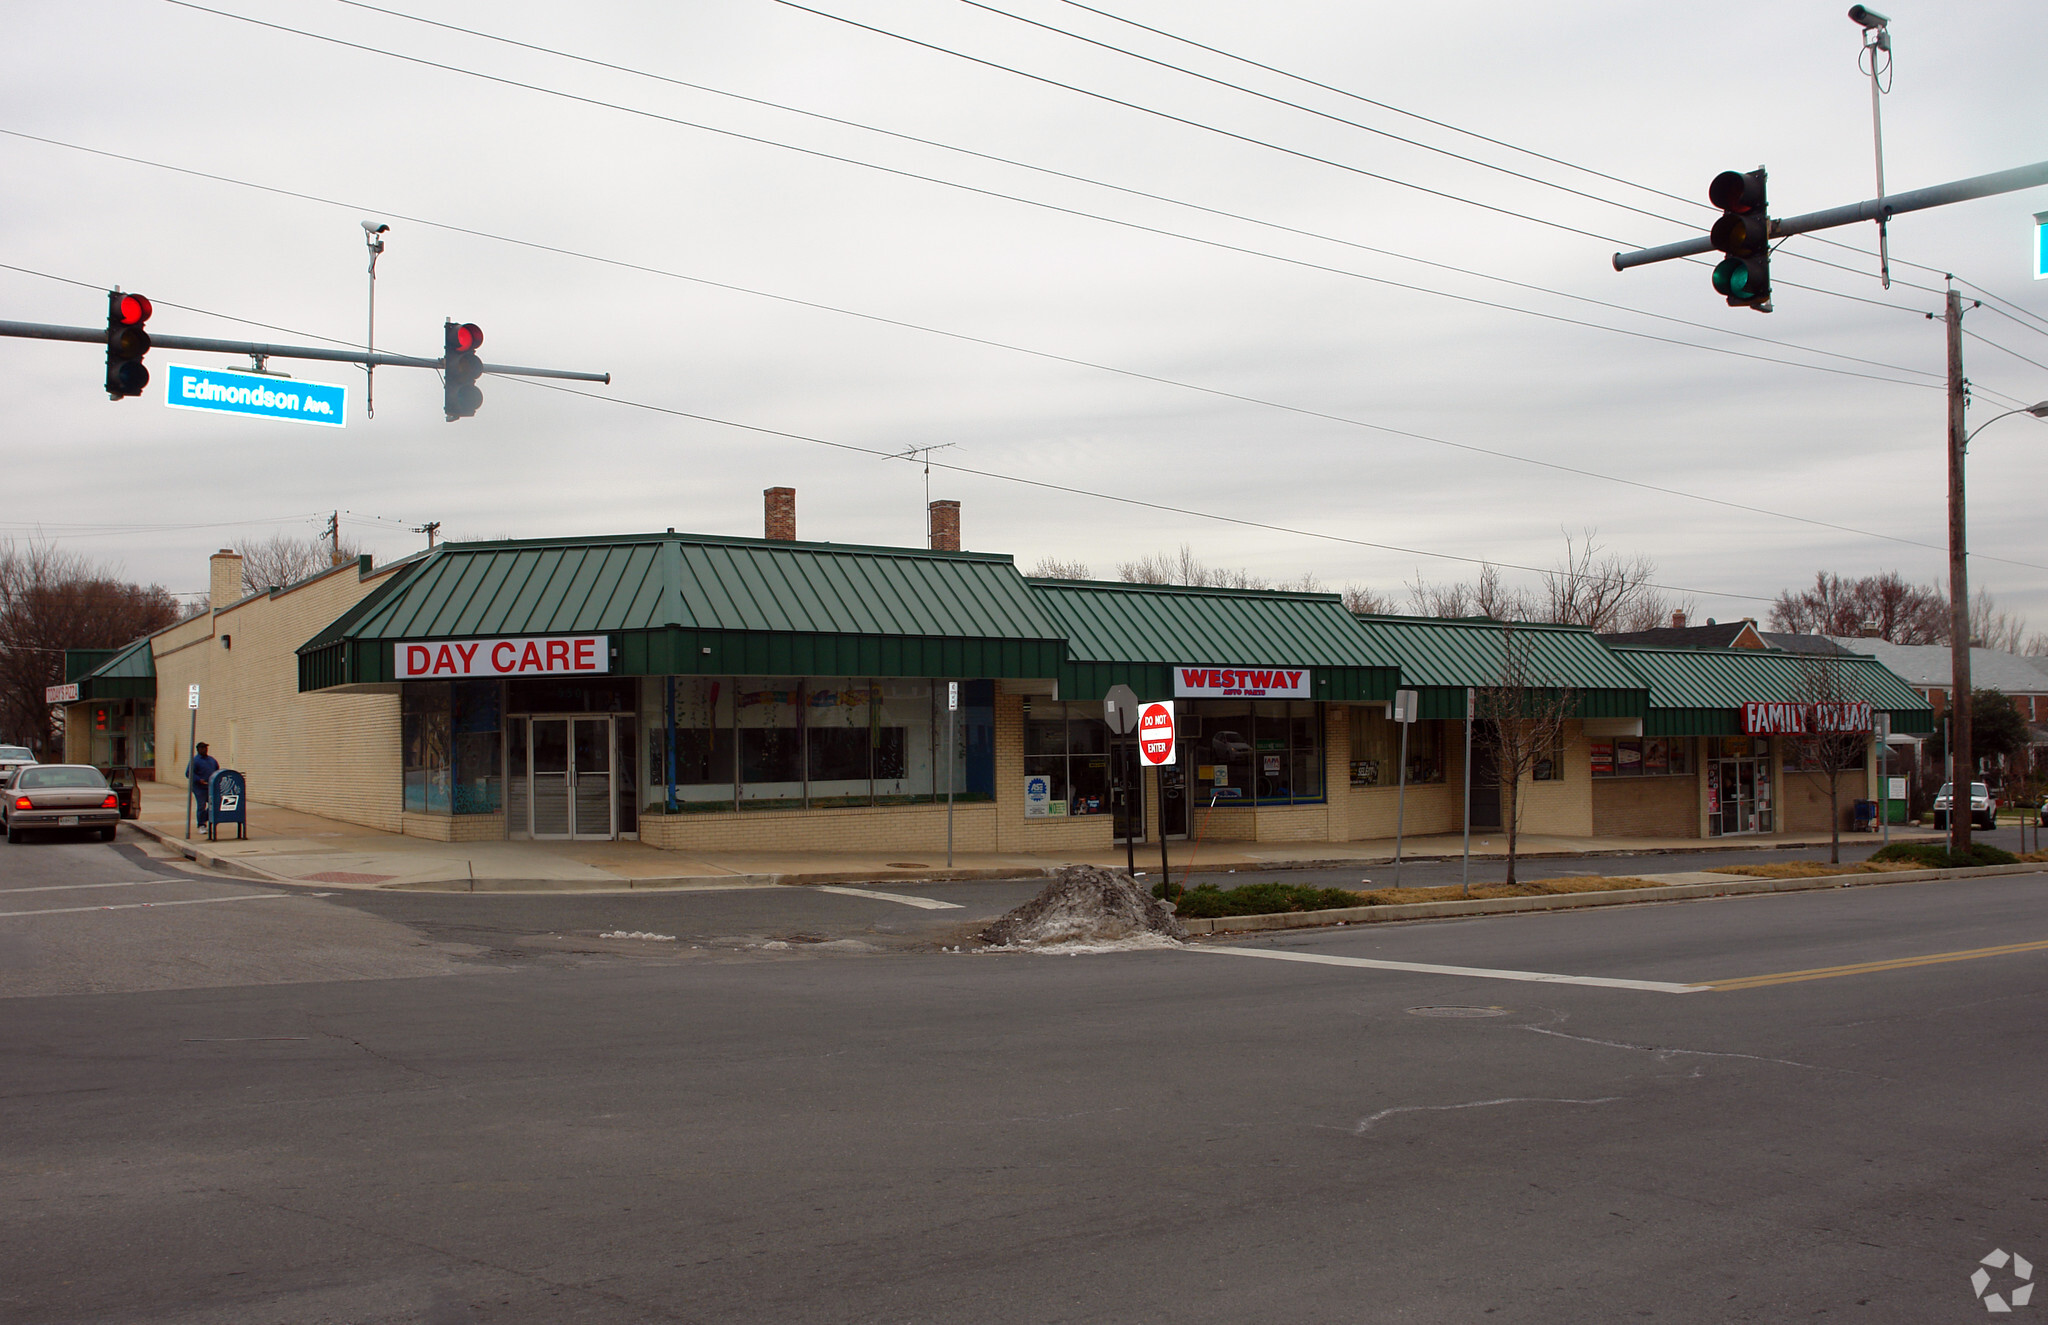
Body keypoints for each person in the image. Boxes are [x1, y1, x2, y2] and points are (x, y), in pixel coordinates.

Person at [186, 741, 220, 827]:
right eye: (203, 748)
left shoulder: (212, 760)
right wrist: (198, 779)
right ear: (198, 749)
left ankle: (204, 818)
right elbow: (188, 773)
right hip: (199, 788)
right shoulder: (195, 761)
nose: (205, 749)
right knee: (201, 805)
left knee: (215, 804)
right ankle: (201, 825)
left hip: (210, 786)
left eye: (206, 748)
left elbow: (217, 770)